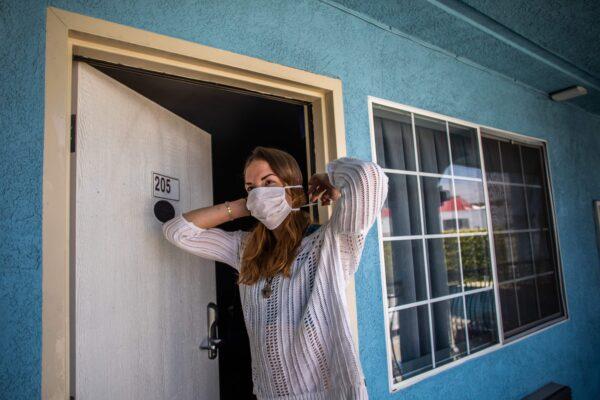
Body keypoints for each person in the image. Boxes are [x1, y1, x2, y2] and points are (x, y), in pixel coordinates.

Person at [162, 146, 389, 400]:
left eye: (268, 182)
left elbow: (370, 178)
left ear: (291, 187)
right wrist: (241, 207)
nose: (258, 193)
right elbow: (177, 232)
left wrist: (329, 178)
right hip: (271, 394)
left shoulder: (329, 243)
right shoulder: (245, 248)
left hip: (330, 392)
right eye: (251, 188)